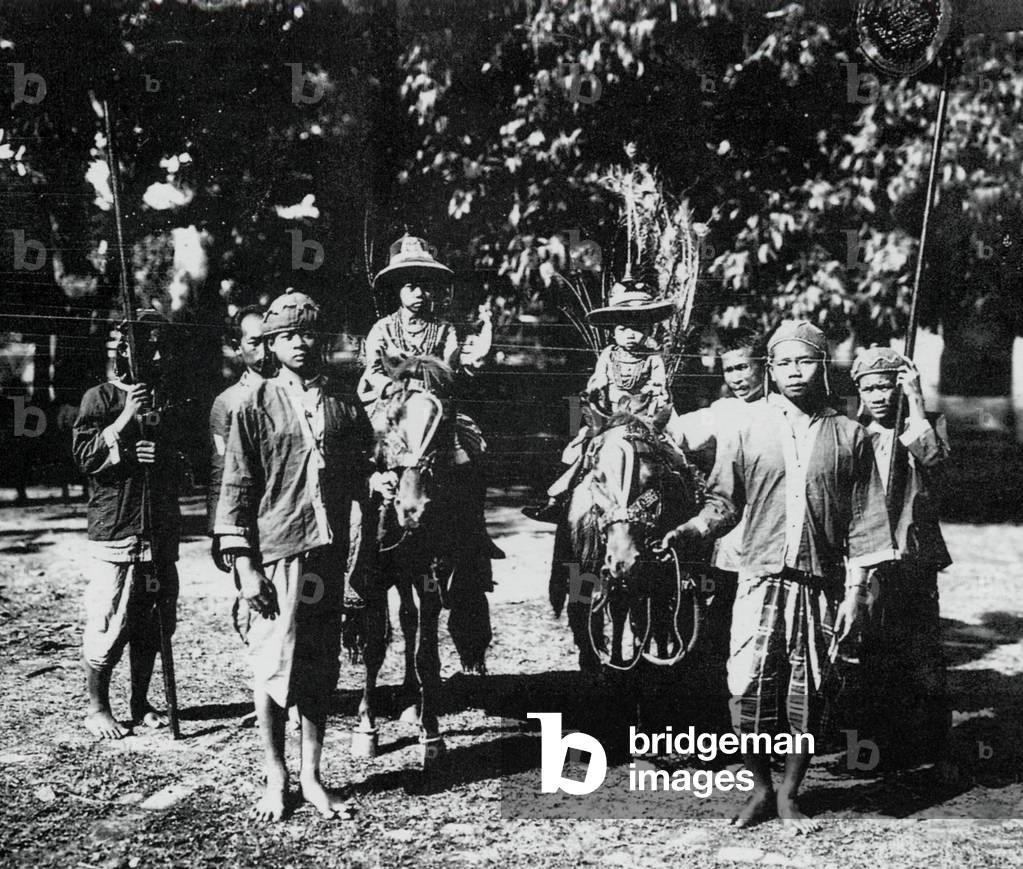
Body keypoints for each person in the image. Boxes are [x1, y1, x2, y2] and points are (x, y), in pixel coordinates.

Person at [658, 320, 895, 834]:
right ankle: (760, 789)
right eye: (783, 362)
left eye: (804, 360)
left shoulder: (850, 435)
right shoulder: (747, 428)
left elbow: (866, 520)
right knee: (747, 685)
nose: (794, 371)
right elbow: (724, 501)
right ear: (771, 368)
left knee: (809, 689)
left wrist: (855, 591)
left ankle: (790, 795)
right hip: (759, 576)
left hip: (820, 583)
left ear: (821, 365)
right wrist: (692, 529)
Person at [216, 290, 392, 822]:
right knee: (273, 666)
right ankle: (277, 777)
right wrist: (245, 566)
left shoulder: (342, 402)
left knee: (318, 665)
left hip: (328, 552)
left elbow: (361, 466)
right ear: (270, 344)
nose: (298, 343)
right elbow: (239, 486)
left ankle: (313, 777)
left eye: (307, 333)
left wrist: (375, 478)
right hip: (278, 550)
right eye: (286, 335)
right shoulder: (255, 404)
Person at [74, 309, 182, 739]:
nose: (143, 354)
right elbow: (86, 459)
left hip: (157, 529)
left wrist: (166, 461)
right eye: (132, 345)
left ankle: (140, 701)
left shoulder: (165, 400)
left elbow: (183, 462)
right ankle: (97, 706)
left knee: (153, 619)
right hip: (116, 529)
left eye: (152, 346)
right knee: (108, 617)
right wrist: (124, 419)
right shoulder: (98, 398)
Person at [851, 346, 953, 771]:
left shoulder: (922, 426)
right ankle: (872, 751)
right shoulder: (852, 432)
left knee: (921, 650)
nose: (878, 396)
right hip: (869, 555)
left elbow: (934, 459)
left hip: (912, 555)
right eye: (869, 388)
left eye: (886, 387)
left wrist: (914, 401)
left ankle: (932, 750)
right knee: (871, 653)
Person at [522, 277, 673, 523]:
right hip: (610, 417)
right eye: (623, 329)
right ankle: (559, 499)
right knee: (581, 448)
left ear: (648, 330)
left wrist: (655, 395)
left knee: (671, 453)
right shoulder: (608, 355)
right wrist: (595, 391)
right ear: (613, 331)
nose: (630, 335)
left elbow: (660, 386)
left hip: (643, 417)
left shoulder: (653, 358)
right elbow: (597, 380)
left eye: (637, 328)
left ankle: (679, 495)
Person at [662, 327, 766, 680]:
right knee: (723, 618)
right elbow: (679, 434)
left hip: (776, 534)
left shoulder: (784, 411)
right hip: (733, 535)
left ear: (764, 366)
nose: (736, 378)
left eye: (743, 368)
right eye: (729, 370)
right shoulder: (726, 411)